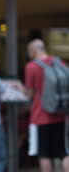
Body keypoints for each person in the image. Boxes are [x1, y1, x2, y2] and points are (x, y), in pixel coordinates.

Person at [20, 39, 69, 172]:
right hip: (60, 113)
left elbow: (29, 94)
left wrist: (20, 88)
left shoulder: (31, 66)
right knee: (63, 152)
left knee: (44, 154)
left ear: (33, 51)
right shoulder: (59, 62)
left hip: (41, 115)